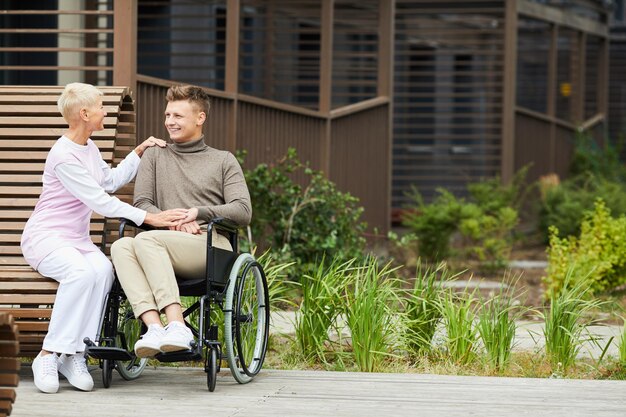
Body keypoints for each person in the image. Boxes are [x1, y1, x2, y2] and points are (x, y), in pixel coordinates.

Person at [21, 83, 189, 394]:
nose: (106, 111)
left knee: (103, 270)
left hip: (76, 240)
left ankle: (76, 354)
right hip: (46, 239)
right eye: (101, 106)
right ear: (84, 114)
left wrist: (138, 151)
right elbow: (100, 201)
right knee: (81, 272)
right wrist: (150, 218)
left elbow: (108, 181)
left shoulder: (89, 148)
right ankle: (48, 354)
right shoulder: (63, 155)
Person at [111, 85, 251, 359]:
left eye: (178, 116)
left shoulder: (223, 160)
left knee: (144, 240)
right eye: (167, 115)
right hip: (159, 242)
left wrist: (198, 213)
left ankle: (177, 324)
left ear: (200, 118)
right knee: (121, 247)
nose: (169, 122)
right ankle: (154, 328)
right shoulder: (155, 155)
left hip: (208, 245)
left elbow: (242, 210)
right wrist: (171, 221)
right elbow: (142, 204)